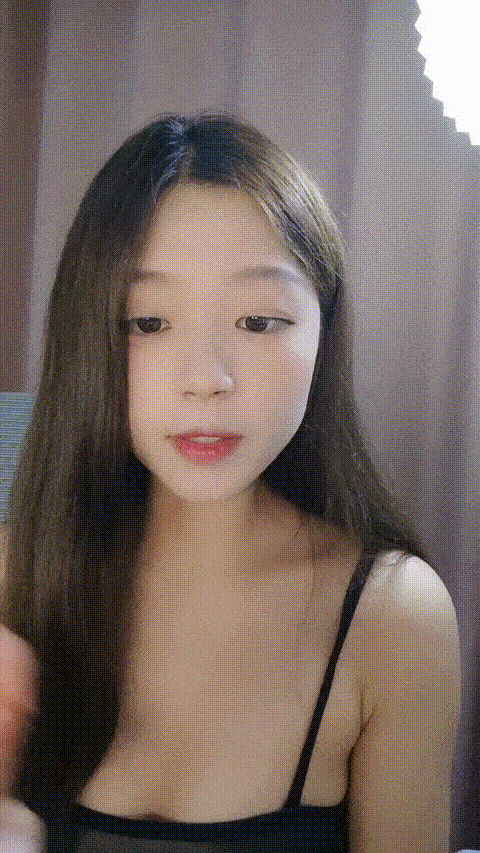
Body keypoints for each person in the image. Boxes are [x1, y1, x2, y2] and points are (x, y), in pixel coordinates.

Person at [0, 113, 461, 853]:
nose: (206, 379)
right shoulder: (19, 575)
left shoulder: (392, 617)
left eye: (258, 321)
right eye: (149, 321)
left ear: (323, 332)